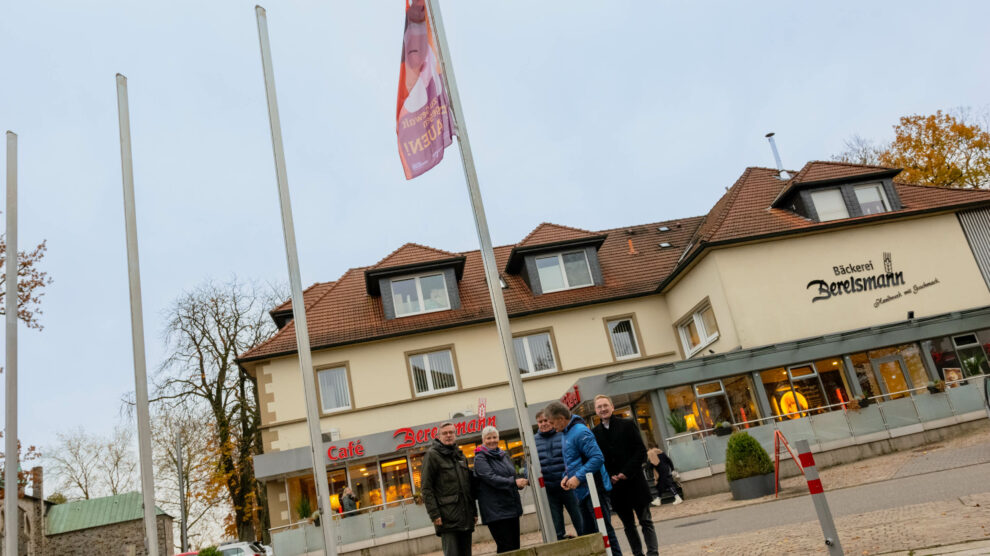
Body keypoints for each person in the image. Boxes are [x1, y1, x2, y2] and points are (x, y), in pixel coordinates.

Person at [543, 401, 623, 556]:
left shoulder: (580, 432)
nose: (552, 426)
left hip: (594, 489)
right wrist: (566, 476)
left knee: (604, 531)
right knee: (588, 534)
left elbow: (597, 458)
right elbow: (574, 461)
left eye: (552, 423)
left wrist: (578, 477)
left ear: (561, 418)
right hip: (582, 491)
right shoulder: (566, 433)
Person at [591, 395, 658, 556]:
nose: (603, 409)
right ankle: (637, 553)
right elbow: (597, 459)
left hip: (635, 482)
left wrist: (625, 473)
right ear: (596, 411)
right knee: (628, 525)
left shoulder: (627, 425)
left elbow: (641, 451)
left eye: (605, 405)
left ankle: (653, 552)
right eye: (599, 407)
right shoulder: (594, 433)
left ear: (612, 407)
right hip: (616, 488)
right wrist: (610, 476)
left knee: (645, 521)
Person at [421, 422, 476, 556]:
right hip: (447, 518)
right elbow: (426, 488)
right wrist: (434, 514)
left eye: (451, 432)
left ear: (455, 435)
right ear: (439, 436)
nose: (448, 435)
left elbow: (468, 487)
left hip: (465, 516)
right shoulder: (432, 455)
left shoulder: (460, 456)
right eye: (445, 433)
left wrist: (474, 511)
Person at [473, 426, 526, 553]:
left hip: (511, 506)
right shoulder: (480, 458)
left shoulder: (503, 455)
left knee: (515, 547)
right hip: (496, 511)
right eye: (488, 438)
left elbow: (511, 474)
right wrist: (514, 482)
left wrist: (520, 481)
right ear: (483, 440)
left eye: (494, 437)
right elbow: (491, 478)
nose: (492, 440)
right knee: (506, 548)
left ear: (498, 438)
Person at [534, 410, 584, 540]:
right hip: (549, 490)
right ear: (537, 423)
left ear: (551, 420)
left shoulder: (562, 435)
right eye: (540, 422)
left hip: (568, 486)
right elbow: (529, 464)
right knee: (556, 526)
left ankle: (586, 539)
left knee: (579, 518)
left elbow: (572, 458)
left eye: (546, 420)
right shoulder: (532, 440)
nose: (544, 424)